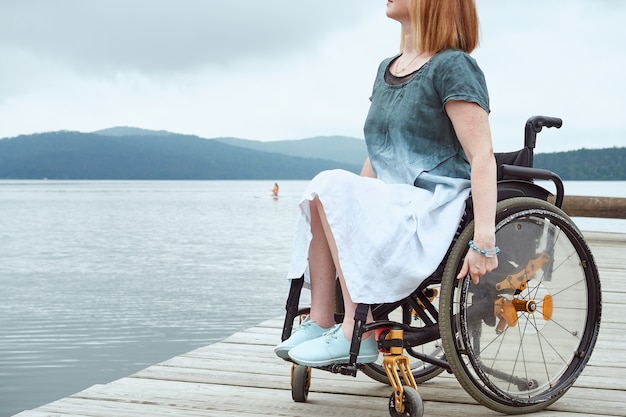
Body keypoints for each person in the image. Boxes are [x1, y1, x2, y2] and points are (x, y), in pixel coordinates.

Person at [275, 0, 498, 367]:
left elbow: (482, 157)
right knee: (323, 190)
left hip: (434, 207)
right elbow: (379, 153)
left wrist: (485, 240)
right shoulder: (386, 68)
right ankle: (320, 320)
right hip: (393, 203)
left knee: (331, 185)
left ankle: (356, 333)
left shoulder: (453, 65)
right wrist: (350, 207)